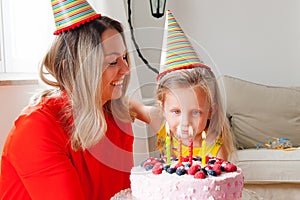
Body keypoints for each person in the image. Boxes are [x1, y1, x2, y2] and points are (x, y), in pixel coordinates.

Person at [0, 1, 161, 199]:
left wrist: (148, 112)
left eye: (124, 57)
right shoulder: (35, 129)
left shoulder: (111, 110)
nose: (126, 69)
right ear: (74, 69)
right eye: (112, 61)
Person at [156, 10, 236, 162]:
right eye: (176, 111)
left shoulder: (216, 149)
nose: (185, 122)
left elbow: (219, 183)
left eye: (196, 112)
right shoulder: (163, 130)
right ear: (162, 109)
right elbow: (131, 106)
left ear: (211, 111)